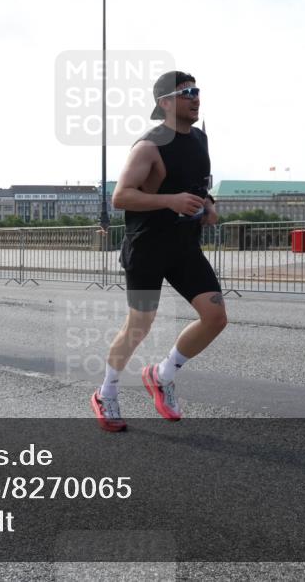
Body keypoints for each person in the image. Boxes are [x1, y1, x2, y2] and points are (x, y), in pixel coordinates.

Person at [90, 71, 227, 432]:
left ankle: (162, 374)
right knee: (139, 326)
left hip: (183, 246)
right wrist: (170, 201)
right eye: (188, 93)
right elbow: (120, 197)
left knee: (215, 317)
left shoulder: (200, 139)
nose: (196, 98)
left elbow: (197, 186)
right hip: (147, 247)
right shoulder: (148, 146)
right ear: (165, 102)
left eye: (198, 91)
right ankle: (106, 392)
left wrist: (209, 205)